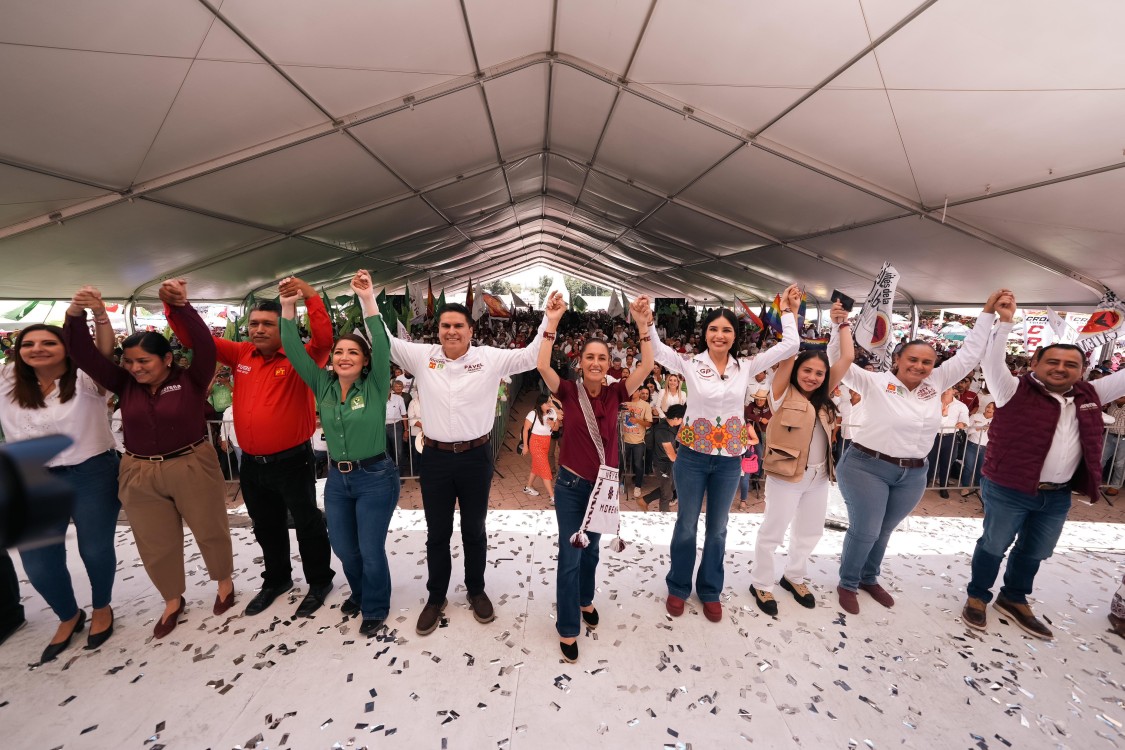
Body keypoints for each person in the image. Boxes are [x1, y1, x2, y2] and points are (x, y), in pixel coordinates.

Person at [64, 280, 235, 639]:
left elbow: (204, 345)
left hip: (191, 463)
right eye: (129, 361)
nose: (135, 368)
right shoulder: (124, 383)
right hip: (139, 469)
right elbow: (83, 354)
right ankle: (173, 600)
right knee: (155, 541)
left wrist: (184, 308)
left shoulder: (191, 379)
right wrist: (76, 314)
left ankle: (224, 582)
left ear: (167, 359)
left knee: (210, 529)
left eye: (143, 361)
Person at [163, 278, 335, 619]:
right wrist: (178, 307)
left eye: (267, 324)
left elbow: (325, 339)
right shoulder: (240, 353)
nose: (257, 329)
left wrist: (310, 296)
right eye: (253, 324)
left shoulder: (303, 356)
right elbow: (195, 340)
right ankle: (277, 580)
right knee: (265, 524)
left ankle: (318, 581)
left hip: (292, 461)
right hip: (252, 464)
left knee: (307, 522)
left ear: (283, 327)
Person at [827, 290, 1003, 615]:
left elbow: (969, 355)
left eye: (927, 362)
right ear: (897, 359)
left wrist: (988, 313)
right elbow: (839, 361)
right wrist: (839, 326)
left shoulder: (935, 382)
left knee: (883, 530)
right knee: (865, 529)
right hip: (866, 466)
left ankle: (869, 577)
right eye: (913, 359)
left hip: (913, 474)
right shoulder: (873, 382)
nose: (920, 366)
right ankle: (848, 582)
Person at [962, 292, 1125, 639]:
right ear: (1035, 363)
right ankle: (977, 596)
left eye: (1070, 365)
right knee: (994, 544)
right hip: (1008, 489)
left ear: (1082, 370)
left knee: (1036, 551)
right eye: (1053, 362)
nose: (1061, 368)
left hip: (1057, 495)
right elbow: (992, 361)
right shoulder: (1011, 390)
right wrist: (1004, 322)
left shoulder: (1090, 395)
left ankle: (1014, 598)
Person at [384, 294, 547, 636]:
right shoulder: (423, 356)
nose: (452, 331)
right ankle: (436, 596)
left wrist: (551, 319)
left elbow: (531, 356)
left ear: (471, 330)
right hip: (436, 458)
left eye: (459, 326)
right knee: (437, 533)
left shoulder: (488, 358)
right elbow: (383, 339)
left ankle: (475, 590)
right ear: (438, 330)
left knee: (474, 529)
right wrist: (368, 298)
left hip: (475, 458)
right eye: (446, 326)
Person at [651, 284, 803, 623]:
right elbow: (658, 350)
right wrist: (646, 322)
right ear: (705, 334)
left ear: (735, 336)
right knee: (686, 525)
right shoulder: (690, 364)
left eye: (727, 330)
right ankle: (677, 587)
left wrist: (791, 311)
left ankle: (709, 590)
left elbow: (791, 345)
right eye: (714, 329)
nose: (719, 335)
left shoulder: (747, 367)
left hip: (728, 461)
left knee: (718, 529)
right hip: (691, 456)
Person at [536, 291, 653, 662]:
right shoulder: (568, 391)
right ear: (580, 362)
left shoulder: (618, 391)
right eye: (590, 357)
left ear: (610, 362)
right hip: (571, 487)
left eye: (602, 357)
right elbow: (541, 366)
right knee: (570, 556)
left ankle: (586, 600)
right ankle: (568, 627)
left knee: (593, 552)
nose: (597, 363)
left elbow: (647, 365)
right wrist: (551, 323)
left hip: (603, 489)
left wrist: (642, 325)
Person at [280, 270, 397, 637]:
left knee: (370, 549)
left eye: (353, 353)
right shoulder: (322, 384)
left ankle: (375, 605)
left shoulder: (376, 385)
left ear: (365, 361)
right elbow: (294, 348)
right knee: (345, 548)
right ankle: (360, 593)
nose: (345, 357)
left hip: (375, 478)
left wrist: (367, 299)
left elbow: (380, 339)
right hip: (337, 480)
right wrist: (287, 305)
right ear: (331, 360)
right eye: (339, 352)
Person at [0, 308, 121, 662]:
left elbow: (104, 353)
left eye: (48, 342)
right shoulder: (8, 380)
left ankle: (102, 607)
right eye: (29, 343)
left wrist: (98, 314)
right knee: (37, 562)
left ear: (67, 347)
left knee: (95, 549)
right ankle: (68, 615)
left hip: (90, 472)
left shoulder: (87, 378)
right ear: (17, 350)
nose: (37, 348)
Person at [750, 302, 854, 616]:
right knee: (773, 531)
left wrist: (842, 323)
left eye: (819, 373)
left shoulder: (824, 395)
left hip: (819, 477)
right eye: (807, 370)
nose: (812, 376)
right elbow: (790, 351)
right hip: (785, 476)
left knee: (810, 531)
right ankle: (761, 583)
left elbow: (847, 357)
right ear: (796, 370)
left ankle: (794, 576)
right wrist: (792, 313)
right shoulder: (781, 392)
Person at [927, 388, 969, 498]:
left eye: (949, 387)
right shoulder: (933, 402)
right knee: (929, 462)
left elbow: (965, 420)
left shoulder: (961, 406)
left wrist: (962, 423)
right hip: (933, 436)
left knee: (947, 463)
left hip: (950, 437)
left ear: (954, 391)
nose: (946, 389)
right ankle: (924, 485)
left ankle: (943, 487)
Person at [643, 403, 685, 513]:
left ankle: (644, 500)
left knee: (672, 486)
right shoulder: (663, 431)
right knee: (667, 495)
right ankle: (664, 517)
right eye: (682, 419)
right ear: (676, 418)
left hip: (668, 464)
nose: (682, 421)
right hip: (662, 465)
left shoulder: (670, 426)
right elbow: (671, 456)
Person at [520, 394, 557, 502]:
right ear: (540, 404)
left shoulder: (552, 413)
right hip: (535, 443)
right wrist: (525, 446)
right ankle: (553, 497)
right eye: (547, 403)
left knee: (537, 466)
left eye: (550, 402)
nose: (550, 404)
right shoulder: (533, 413)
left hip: (546, 442)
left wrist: (552, 425)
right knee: (545, 469)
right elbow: (525, 429)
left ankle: (528, 487)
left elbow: (555, 428)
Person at [621, 387, 653, 500]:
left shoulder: (645, 405)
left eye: (635, 390)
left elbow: (649, 423)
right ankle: (621, 484)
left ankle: (638, 486)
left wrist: (637, 421)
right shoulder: (623, 402)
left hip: (638, 440)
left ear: (639, 392)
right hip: (624, 439)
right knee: (621, 463)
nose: (632, 392)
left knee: (638, 465)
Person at [960, 402, 995, 498]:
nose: (989, 409)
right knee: (968, 467)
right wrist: (978, 428)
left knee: (981, 469)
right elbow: (967, 431)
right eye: (988, 406)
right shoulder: (975, 416)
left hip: (985, 448)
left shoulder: (996, 421)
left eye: (992, 408)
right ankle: (965, 487)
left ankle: (977, 488)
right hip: (972, 445)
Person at [1102, 395, 1125, 497]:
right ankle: (1093, 481)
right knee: (1100, 458)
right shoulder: (1110, 404)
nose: (1120, 396)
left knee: (1120, 463)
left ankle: (1115, 486)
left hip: (1124, 438)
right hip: (1109, 435)